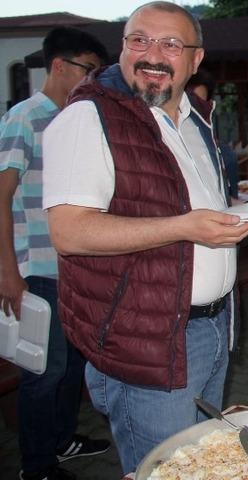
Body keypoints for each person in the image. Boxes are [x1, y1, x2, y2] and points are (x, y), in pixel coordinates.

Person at [41, 2, 248, 473]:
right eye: (139, 40)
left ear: (196, 60)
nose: (152, 54)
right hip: (149, 342)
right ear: (122, 48)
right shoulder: (89, 117)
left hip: (213, 328)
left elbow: (191, 205)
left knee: (199, 464)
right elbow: (69, 231)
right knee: (163, 470)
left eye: (171, 44)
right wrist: (183, 227)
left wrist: (246, 214)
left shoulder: (196, 119)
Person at [0, 26, 110, 480]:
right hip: (37, 268)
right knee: (44, 371)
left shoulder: (76, 119)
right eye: (88, 70)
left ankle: (63, 439)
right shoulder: (25, 117)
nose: (93, 81)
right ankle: (36, 465)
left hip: (74, 267)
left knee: (72, 364)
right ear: (59, 66)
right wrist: (7, 271)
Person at [187, 69, 240, 199]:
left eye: (201, 105)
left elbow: (229, 204)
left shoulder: (224, 154)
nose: (194, 112)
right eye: (189, 103)